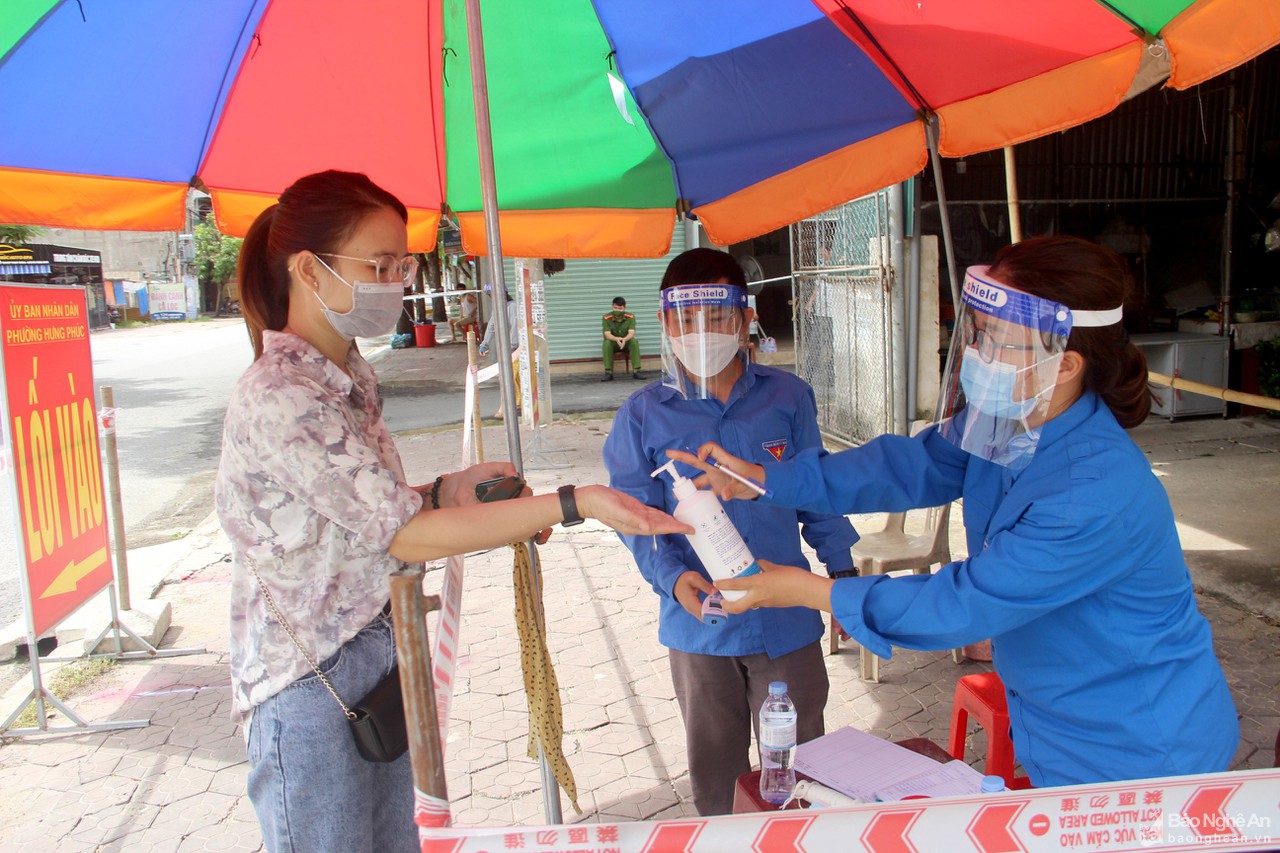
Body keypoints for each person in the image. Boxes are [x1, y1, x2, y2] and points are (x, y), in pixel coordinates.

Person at [216, 170, 689, 853]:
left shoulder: (348, 373)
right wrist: (574, 500)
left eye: (400, 265)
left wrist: (446, 490)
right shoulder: (282, 394)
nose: (395, 282)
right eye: (377, 265)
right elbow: (406, 537)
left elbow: (365, 511)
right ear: (307, 271)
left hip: (373, 650)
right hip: (309, 679)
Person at [675, 236, 1239, 788]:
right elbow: (906, 467)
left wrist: (811, 591)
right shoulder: (1009, 422)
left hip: (1141, 752)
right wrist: (765, 479)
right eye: (979, 334)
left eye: (997, 341)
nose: (976, 354)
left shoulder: (1091, 491)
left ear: (1064, 365)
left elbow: (963, 602)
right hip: (1057, 728)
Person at [602, 248, 858, 815]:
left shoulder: (787, 397)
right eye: (684, 319)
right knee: (717, 784)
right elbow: (635, 523)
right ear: (665, 323)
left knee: (800, 777)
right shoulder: (643, 415)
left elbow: (817, 489)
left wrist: (842, 575)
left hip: (786, 619)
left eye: (716, 316)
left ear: (744, 318)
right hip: (701, 627)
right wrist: (673, 581)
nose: (701, 331)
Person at [478, 287, 521, 418]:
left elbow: (515, 327)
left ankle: (514, 404)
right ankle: (517, 403)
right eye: (490, 295)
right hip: (505, 347)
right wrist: (485, 343)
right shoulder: (498, 308)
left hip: (514, 348)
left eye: (493, 294)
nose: (492, 297)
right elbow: (492, 326)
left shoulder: (512, 306)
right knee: (511, 376)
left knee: (511, 375)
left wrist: (513, 346)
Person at [602, 296, 643, 380]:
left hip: (626, 342)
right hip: (614, 342)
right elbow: (607, 334)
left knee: (634, 342)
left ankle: (637, 371)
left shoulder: (631, 317)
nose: (617, 311)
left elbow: (631, 333)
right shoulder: (606, 318)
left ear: (624, 308)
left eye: (620, 308)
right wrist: (617, 339)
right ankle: (608, 373)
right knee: (606, 343)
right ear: (612, 307)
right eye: (615, 308)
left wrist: (625, 339)